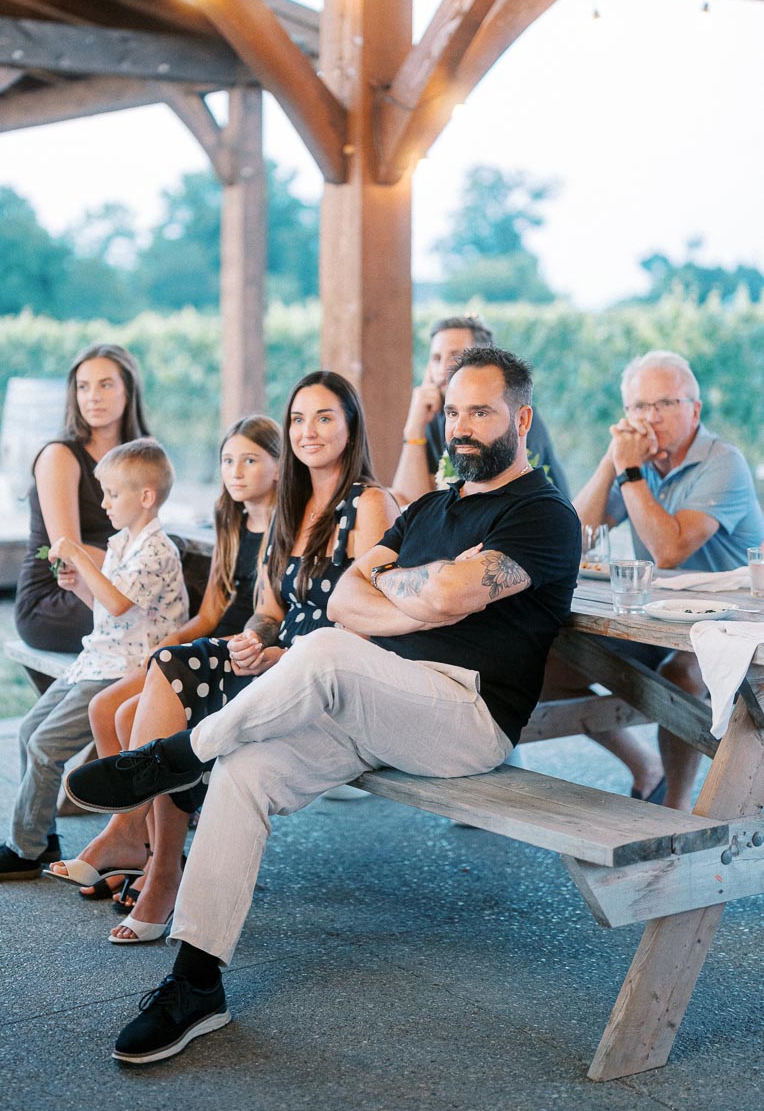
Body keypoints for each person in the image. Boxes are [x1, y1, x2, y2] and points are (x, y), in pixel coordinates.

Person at [63, 347, 581, 1062]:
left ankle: (177, 756)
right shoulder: (431, 507)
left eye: (481, 412)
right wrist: (423, 601)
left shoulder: (544, 513)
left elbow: (451, 595)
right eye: (454, 411)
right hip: (375, 701)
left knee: (330, 650)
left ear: (520, 418)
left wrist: (418, 594)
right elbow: (345, 596)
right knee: (246, 770)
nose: (461, 427)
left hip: (467, 716)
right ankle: (195, 981)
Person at [47, 371, 399, 942]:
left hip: (327, 673)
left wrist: (282, 648)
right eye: (298, 419)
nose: (309, 431)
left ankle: (150, 857)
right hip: (276, 658)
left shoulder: (369, 503)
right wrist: (258, 637)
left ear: (351, 426)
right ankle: (149, 851)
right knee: (170, 667)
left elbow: (363, 612)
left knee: (176, 698)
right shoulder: (295, 506)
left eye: (325, 417)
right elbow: (267, 605)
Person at [61, 414, 282, 904]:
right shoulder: (232, 522)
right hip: (205, 647)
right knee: (104, 708)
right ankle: (138, 843)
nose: (236, 471)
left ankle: (144, 846)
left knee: (127, 714)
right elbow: (209, 615)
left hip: (243, 654)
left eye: (250, 459)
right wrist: (166, 650)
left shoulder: (287, 530)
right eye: (228, 460)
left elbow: (269, 617)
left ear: (279, 466)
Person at [0, 439, 189, 882]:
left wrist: (82, 557)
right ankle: (41, 839)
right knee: (30, 731)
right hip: (98, 659)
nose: (103, 504)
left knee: (46, 747)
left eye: (112, 494)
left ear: (146, 497)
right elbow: (108, 607)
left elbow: (120, 605)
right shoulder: (123, 543)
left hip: (127, 669)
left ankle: (23, 850)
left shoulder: (158, 550)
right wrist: (78, 586)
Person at [570, 348, 764, 811]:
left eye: (663, 404)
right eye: (637, 407)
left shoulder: (724, 462)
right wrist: (611, 462)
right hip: (658, 620)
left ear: (694, 409)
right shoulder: (636, 463)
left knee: (680, 675)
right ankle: (645, 767)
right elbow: (573, 539)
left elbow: (670, 549)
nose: (649, 418)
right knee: (555, 664)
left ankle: (673, 815)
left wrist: (630, 471)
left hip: (735, 628)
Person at [13, 343, 150, 688]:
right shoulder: (59, 456)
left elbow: (148, 533)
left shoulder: (143, 455)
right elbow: (66, 551)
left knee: (175, 606)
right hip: (57, 596)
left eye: (106, 385)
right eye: (83, 386)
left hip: (115, 586)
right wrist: (137, 570)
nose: (93, 397)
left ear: (128, 390)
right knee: (161, 616)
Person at [392, 315, 569, 505]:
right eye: (436, 358)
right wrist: (413, 430)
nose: (443, 368)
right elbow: (410, 505)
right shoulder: (433, 416)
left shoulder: (510, 416)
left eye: (455, 357)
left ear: (483, 361)